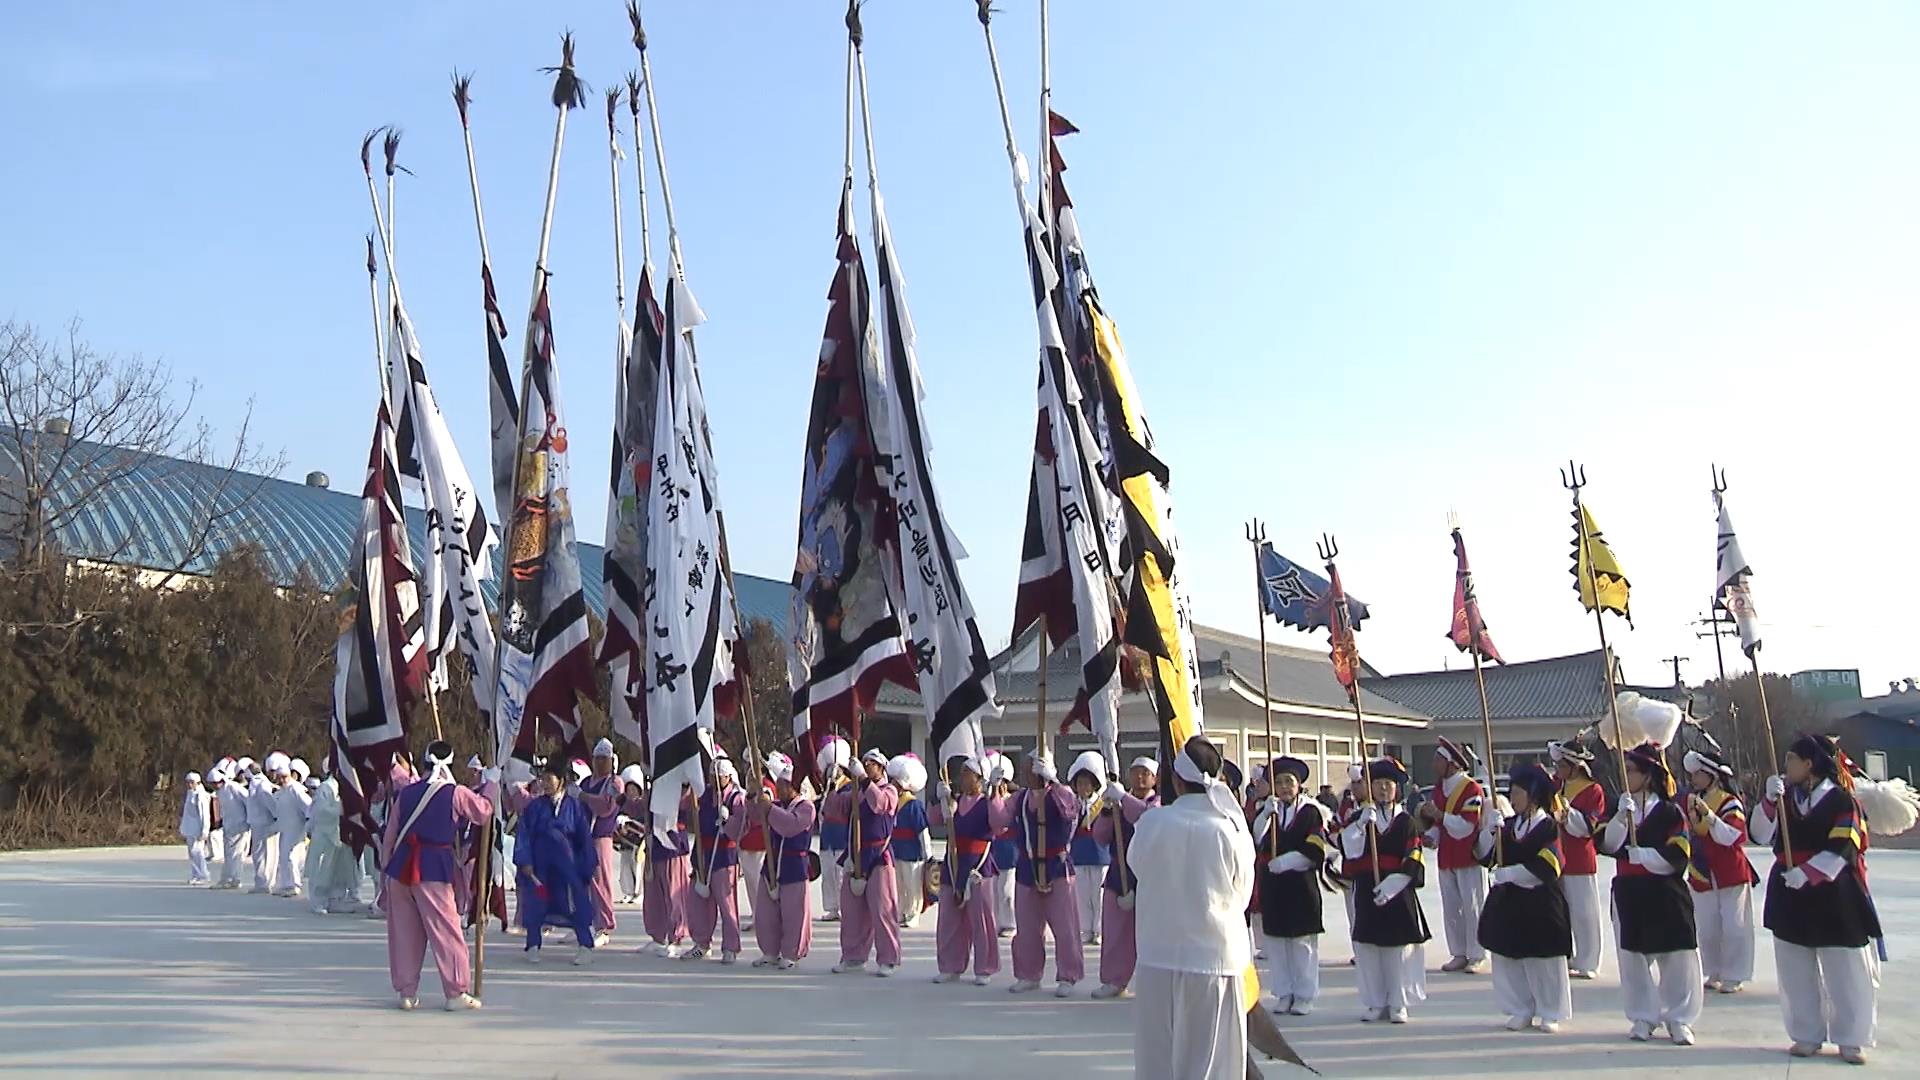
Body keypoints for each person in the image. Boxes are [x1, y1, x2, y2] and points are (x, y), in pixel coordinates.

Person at [1129, 736, 1254, 1080]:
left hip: (1158, 955)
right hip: (1213, 958)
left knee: (1159, 1059)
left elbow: (1138, 867)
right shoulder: (1230, 830)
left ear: (1176, 780)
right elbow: (1241, 894)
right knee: (1211, 1064)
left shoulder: (1152, 823)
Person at [1750, 733, 1880, 1064]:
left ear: (1809, 764)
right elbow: (1760, 835)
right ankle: (1806, 1033)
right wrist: (1767, 802)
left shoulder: (1842, 801)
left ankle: (1851, 1037)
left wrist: (1807, 872)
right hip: (1789, 892)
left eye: (1792, 759)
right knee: (1795, 966)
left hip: (1833, 891)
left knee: (1844, 967)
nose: (1786, 766)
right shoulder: (1784, 797)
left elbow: (1845, 846)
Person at [1597, 742, 1700, 1046]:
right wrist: (1618, 819)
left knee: (1677, 956)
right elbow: (1607, 846)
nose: (1625, 775)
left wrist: (1642, 856)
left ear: (1648, 774)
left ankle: (1679, 1017)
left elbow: (1678, 854)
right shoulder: (1620, 805)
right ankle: (1643, 1015)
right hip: (1629, 892)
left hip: (1664, 891)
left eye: (1630, 770)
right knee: (1633, 958)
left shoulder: (1670, 812)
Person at [382, 742, 497, 1010]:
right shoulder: (454, 793)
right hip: (432, 867)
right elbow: (482, 812)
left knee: (404, 933)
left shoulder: (407, 793)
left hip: (400, 868)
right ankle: (455, 991)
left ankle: (407, 992)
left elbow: (390, 834)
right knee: (446, 931)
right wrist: (491, 784)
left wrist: (387, 870)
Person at [1479, 763, 1573, 1033]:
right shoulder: (1507, 827)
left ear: (1533, 795)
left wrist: (1509, 874)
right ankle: (1520, 1007)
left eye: (1518, 792)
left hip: (1541, 902)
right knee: (1511, 956)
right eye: (1512, 792)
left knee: (1544, 960)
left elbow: (1549, 866)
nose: (1513, 798)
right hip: (1511, 903)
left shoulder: (1549, 827)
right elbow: (1486, 858)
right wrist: (1490, 832)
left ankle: (1550, 1010)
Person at [1342, 757, 1429, 1023]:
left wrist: (1393, 885)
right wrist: (1358, 826)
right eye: (1377, 784)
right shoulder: (1360, 817)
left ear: (1397, 788)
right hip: (1368, 888)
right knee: (1368, 948)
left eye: (1388, 784)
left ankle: (1398, 1001)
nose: (1383, 789)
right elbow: (1349, 851)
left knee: (1396, 949)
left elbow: (1414, 856)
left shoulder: (1406, 822)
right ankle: (1375, 1001)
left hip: (1397, 890)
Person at [992, 750, 1084, 997]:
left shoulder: (1060, 794)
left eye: (1032, 768)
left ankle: (1068, 975)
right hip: (1027, 868)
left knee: (1065, 926)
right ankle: (1028, 974)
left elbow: (1071, 813)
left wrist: (1053, 780)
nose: (1027, 773)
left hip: (1057, 866)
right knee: (1027, 926)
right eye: (1025, 769)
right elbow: (998, 820)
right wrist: (994, 791)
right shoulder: (1020, 798)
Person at [1250, 756, 1329, 1016]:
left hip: (1301, 885)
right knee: (1277, 943)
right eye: (1279, 782)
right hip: (1274, 886)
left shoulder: (1310, 812)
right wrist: (1265, 815)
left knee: (1301, 944)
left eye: (1289, 782)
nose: (1284, 787)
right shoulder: (1269, 810)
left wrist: (1289, 861)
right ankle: (1283, 993)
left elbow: (1316, 846)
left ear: (1299, 785)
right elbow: (1256, 838)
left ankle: (1305, 994)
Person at [1684, 739, 1758, 995]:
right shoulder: (1693, 801)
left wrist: (1710, 817)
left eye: (1698, 774)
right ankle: (1713, 970)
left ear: (1712, 776)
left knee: (1734, 926)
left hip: (1729, 871)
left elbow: (1733, 837)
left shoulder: (1730, 802)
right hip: (1701, 870)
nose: (1693, 779)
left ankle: (1734, 973)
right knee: (1707, 927)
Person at [515, 757, 599, 966]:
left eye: (549, 779)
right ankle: (533, 944)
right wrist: (524, 860)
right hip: (540, 862)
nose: (544, 783)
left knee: (576, 901)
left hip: (567, 863)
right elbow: (523, 834)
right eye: (542, 779)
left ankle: (585, 945)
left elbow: (584, 838)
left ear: (561, 781)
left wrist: (588, 865)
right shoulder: (534, 807)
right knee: (537, 900)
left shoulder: (575, 807)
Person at [1091, 756, 1160, 1000]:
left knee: (1151, 934)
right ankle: (1114, 980)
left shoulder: (1158, 802)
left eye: (1145, 773)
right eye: (1136, 772)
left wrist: (1122, 798)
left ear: (1154, 778)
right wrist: (1108, 811)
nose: (1140, 778)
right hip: (1119, 873)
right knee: (1114, 930)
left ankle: (1153, 984)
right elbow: (1099, 836)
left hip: (1150, 875)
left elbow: (1144, 819)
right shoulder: (1117, 802)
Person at [829, 748, 902, 976]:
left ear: (880, 768)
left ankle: (888, 958)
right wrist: (831, 785)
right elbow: (833, 809)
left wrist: (862, 780)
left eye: (870, 763)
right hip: (855, 855)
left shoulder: (889, 790)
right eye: (864, 763)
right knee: (851, 912)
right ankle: (853, 956)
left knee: (882, 910)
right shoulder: (854, 792)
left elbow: (880, 804)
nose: (866, 766)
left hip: (878, 855)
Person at [930, 755, 1002, 985]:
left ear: (978, 777)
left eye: (966, 773)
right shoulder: (954, 801)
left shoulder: (986, 802)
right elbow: (934, 819)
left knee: (980, 917)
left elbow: (1000, 823)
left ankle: (984, 967)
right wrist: (938, 799)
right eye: (961, 773)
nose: (961, 777)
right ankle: (951, 965)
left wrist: (997, 793)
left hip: (978, 864)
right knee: (949, 918)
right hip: (954, 861)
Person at [1426, 737, 1488, 974]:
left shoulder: (1471, 788)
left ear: (1451, 762)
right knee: (1451, 907)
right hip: (1447, 856)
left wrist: (1440, 817)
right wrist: (1432, 834)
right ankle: (1459, 952)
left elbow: (1467, 826)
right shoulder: (1439, 788)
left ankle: (1477, 953)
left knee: (1472, 906)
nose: (1434, 764)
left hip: (1468, 856)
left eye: (1438, 759)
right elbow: (1439, 824)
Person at [749, 751, 817, 969]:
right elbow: (754, 817)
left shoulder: (806, 807)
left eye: (783, 784)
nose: (779, 788)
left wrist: (770, 808)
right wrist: (754, 798)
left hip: (794, 865)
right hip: (772, 862)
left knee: (793, 912)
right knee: (766, 911)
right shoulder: (776, 803)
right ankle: (769, 950)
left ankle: (791, 953)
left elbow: (790, 826)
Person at [1548, 739, 1608, 980]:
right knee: (1562, 910)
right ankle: (1567, 953)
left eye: (1562, 766)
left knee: (1584, 912)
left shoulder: (1593, 790)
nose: (1558, 770)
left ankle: (1589, 959)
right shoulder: (1556, 787)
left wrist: (1567, 811)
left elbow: (1586, 827)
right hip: (1557, 856)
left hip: (1580, 858)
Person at [687, 752, 749, 963]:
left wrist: (728, 821)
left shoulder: (736, 798)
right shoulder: (705, 796)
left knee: (726, 903)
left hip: (724, 855)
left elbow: (741, 828)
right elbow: (695, 822)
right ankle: (701, 943)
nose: (713, 779)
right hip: (703, 853)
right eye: (711, 775)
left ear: (727, 777)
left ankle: (731, 946)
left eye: (717, 776)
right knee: (698, 902)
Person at [577, 739, 624, 947]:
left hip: (601, 837)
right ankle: (585, 921)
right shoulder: (587, 782)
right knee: (582, 881)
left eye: (604, 759)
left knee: (600, 880)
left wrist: (584, 797)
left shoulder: (615, 783)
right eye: (597, 759)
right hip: (584, 836)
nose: (600, 763)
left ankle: (604, 925)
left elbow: (606, 806)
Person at [1066, 752, 1111, 946]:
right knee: (1082, 894)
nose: (1083, 787)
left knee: (1098, 894)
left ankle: (1100, 929)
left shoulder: (1102, 804)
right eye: (1080, 783)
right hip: (1080, 853)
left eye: (1087, 783)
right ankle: (1085, 928)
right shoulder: (1073, 804)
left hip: (1100, 853)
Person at [644, 782, 694, 957]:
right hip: (655, 843)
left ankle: (677, 937)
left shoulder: (681, 786)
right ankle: (658, 936)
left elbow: (687, 801)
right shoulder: (656, 786)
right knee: (654, 894)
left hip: (673, 844)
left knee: (674, 894)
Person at [305, 767, 361, 915]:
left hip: (338, 835)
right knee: (322, 869)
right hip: (325, 834)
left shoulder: (345, 787)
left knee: (338, 870)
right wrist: (342, 810)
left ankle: (337, 899)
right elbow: (321, 811)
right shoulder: (326, 787)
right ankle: (318, 901)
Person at [887, 753, 931, 930]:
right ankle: (901, 912)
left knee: (913, 886)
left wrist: (927, 855)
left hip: (913, 852)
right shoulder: (893, 802)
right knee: (899, 884)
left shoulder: (914, 805)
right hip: (896, 849)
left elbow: (923, 832)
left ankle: (913, 914)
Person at [815, 736, 854, 922]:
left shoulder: (849, 787)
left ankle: (845, 906)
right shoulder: (826, 788)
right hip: (827, 835)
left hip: (842, 834)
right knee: (828, 873)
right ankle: (831, 907)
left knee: (840, 874)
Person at [987, 753, 1020, 937]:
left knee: (1008, 891)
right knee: (993, 890)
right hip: (993, 849)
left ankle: (1010, 922)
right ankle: (996, 921)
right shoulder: (988, 801)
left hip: (1010, 850)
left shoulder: (1014, 800)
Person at [247, 754, 286, 894]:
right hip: (258, 822)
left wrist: (277, 815)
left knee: (267, 853)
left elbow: (268, 802)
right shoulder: (258, 782)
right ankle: (262, 881)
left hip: (264, 822)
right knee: (260, 853)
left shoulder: (260, 783)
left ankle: (265, 882)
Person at [274, 758, 313, 898]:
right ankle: (286, 884)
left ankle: (294, 885)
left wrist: (309, 824)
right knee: (284, 856)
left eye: (285, 777)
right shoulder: (282, 791)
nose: (282, 780)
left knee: (292, 856)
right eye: (280, 778)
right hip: (285, 828)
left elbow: (309, 806)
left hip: (296, 828)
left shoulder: (296, 789)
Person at [215, 760, 252, 889]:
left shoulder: (234, 787)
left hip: (240, 825)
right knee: (229, 854)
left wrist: (248, 819)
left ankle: (232, 879)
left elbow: (248, 801)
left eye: (216, 783)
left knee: (236, 854)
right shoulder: (220, 791)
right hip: (229, 825)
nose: (215, 786)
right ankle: (230, 878)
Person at [615, 764, 648, 905]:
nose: (631, 792)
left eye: (634, 789)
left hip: (638, 843)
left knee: (638, 868)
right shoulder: (623, 804)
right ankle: (627, 892)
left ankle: (639, 892)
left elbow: (645, 824)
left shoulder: (643, 805)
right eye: (629, 790)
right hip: (625, 842)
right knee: (625, 867)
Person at [180, 771, 214, 885]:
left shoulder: (201, 795)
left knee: (198, 853)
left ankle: (203, 875)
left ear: (197, 782)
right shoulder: (190, 793)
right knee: (192, 853)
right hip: (190, 828)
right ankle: (196, 874)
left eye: (191, 782)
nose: (189, 785)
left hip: (198, 829)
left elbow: (205, 814)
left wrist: (205, 830)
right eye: (188, 782)